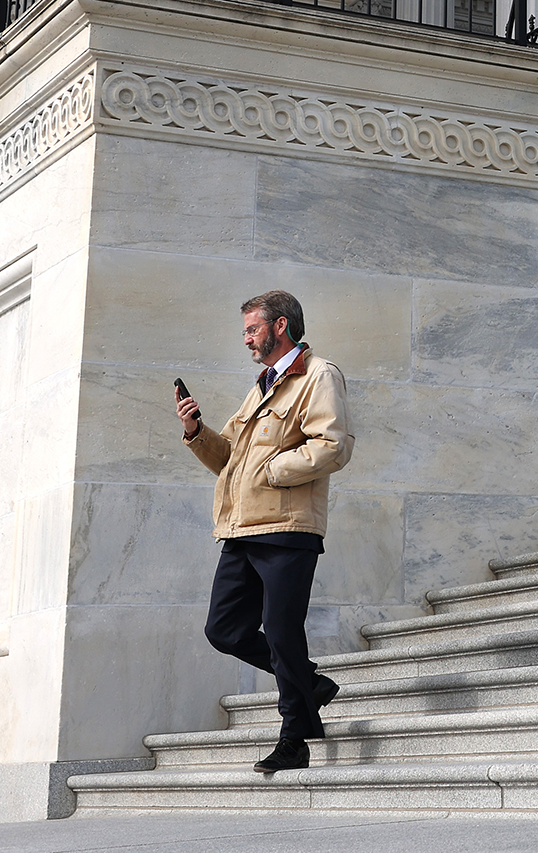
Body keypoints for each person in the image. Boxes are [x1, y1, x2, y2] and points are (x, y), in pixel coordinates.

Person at [174, 291, 355, 775]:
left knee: (279, 630)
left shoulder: (318, 375)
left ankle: (294, 738)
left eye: (252, 329)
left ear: (280, 326)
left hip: (288, 528)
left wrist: (274, 469)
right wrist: (197, 432)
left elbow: (333, 445)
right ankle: (310, 684)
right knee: (224, 629)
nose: (247, 340)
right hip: (241, 528)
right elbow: (229, 458)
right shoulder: (262, 387)